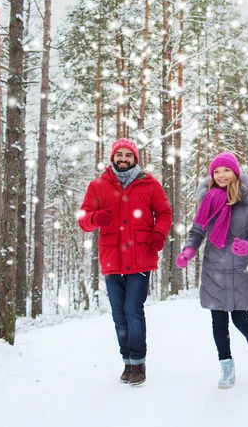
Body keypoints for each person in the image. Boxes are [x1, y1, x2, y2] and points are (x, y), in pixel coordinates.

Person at [78, 138, 172, 386]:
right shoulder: (98, 186)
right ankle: (127, 362)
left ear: (135, 158)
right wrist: (97, 217)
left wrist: (159, 234)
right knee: (119, 314)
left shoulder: (149, 184)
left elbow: (164, 213)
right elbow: (84, 220)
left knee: (133, 310)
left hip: (141, 256)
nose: (123, 159)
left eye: (128, 155)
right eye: (119, 154)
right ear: (112, 157)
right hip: (112, 258)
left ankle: (139, 362)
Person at [175, 152, 248, 389]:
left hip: (240, 269)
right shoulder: (206, 201)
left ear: (235, 173)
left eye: (226, 170)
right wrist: (188, 250)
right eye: (216, 171)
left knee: (241, 320)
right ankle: (227, 367)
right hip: (213, 270)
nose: (221, 175)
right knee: (218, 322)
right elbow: (197, 232)